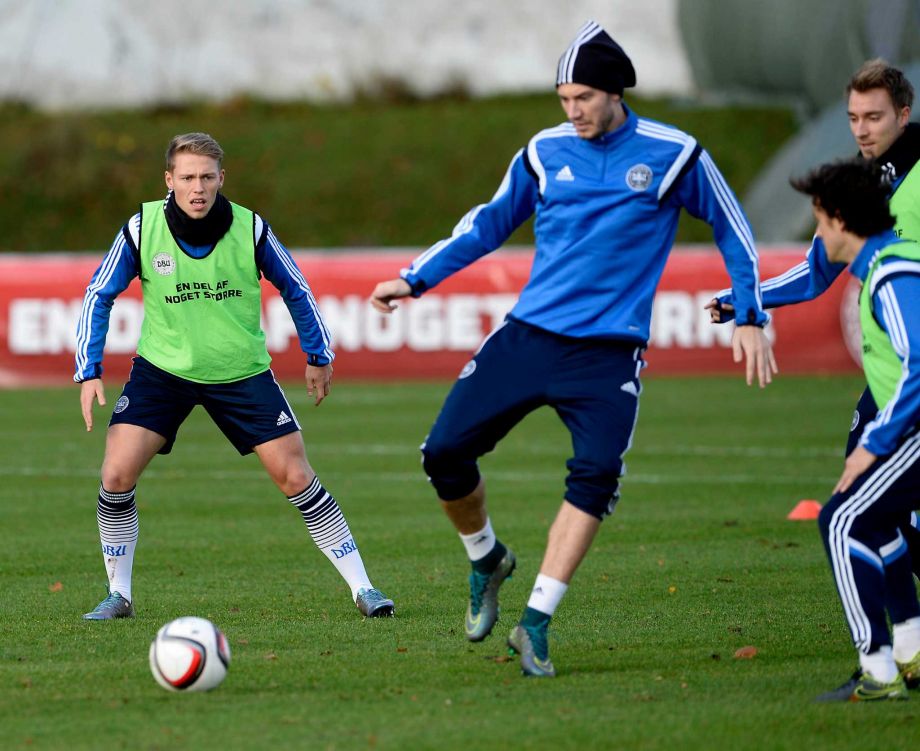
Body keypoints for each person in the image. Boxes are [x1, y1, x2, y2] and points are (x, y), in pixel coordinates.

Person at [369, 21, 776, 677]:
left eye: (584, 96)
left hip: (608, 355)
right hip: (529, 336)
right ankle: (486, 557)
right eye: (564, 99)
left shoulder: (674, 154)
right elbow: (487, 224)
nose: (573, 110)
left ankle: (535, 621)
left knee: (594, 475)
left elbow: (732, 228)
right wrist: (415, 278)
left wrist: (751, 312)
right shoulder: (543, 151)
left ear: (616, 91)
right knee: (442, 452)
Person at [75, 132, 393, 620]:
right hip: (163, 372)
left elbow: (297, 287)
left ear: (222, 178)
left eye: (206, 177)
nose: (197, 187)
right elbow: (99, 293)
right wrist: (89, 368)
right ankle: (119, 595)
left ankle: (364, 588)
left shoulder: (250, 228)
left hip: (241, 373)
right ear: (169, 180)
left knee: (295, 476)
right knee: (115, 475)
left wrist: (318, 353)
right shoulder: (143, 228)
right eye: (187, 178)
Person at [707, 59, 920, 592]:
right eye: (853, 117)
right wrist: (744, 300)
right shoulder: (863, 180)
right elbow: (815, 272)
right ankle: (904, 646)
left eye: (874, 117)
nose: (862, 129)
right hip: (894, 371)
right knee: (865, 503)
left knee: (869, 509)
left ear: (904, 113)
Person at [785, 159, 920, 701]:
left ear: (840, 220)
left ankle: (877, 669)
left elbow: (918, 366)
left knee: (841, 520)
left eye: (819, 218)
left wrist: (874, 445)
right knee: (874, 520)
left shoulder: (891, 271)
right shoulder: (884, 266)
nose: (817, 232)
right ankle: (909, 648)